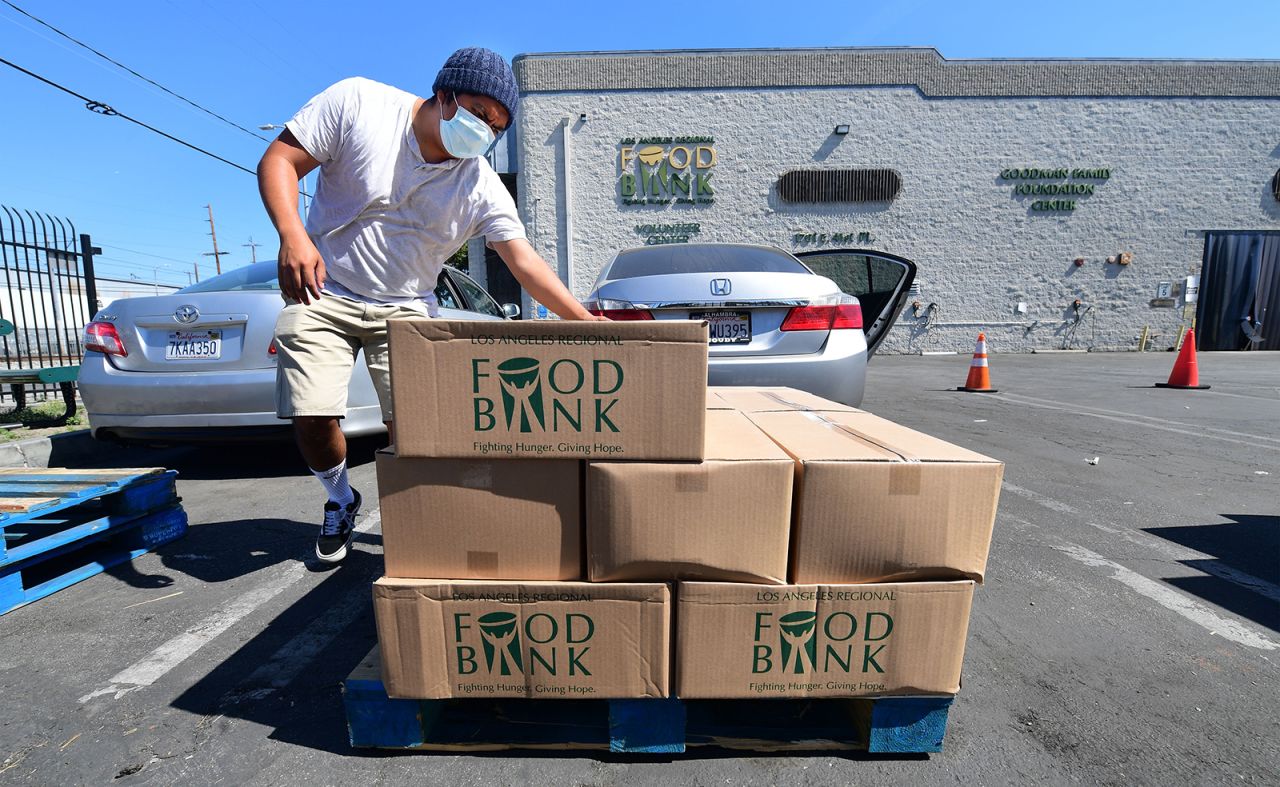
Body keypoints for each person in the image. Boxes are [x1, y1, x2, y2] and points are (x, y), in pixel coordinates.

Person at [257, 47, 602, 564]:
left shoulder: (478, 183)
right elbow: (279, 160)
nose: (484, 131)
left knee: (415, 430)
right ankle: (339, 497)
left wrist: (584, 322)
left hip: (406, 307)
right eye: (480, 115)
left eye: (497, 127)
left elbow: (522, 260)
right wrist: (292, 235)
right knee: (312, 415)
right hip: (325, 289)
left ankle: (416, 523)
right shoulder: (360, 104)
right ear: (445, 94)